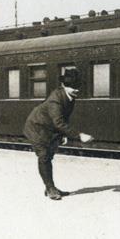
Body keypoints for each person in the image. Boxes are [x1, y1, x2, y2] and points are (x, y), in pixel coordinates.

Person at [23, 68, 93, 200]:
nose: (76, 89)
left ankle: (50, 186)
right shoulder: (55, 100)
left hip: (48, 128)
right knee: (44, 156)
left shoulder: (70, 96)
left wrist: (63, 135)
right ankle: (50, 189)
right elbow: (59, 122)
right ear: (64, 85)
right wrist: (79, 135)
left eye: (78, 86)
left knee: (49, 155)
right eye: (73, 87)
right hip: (36, 128)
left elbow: (63, 118)